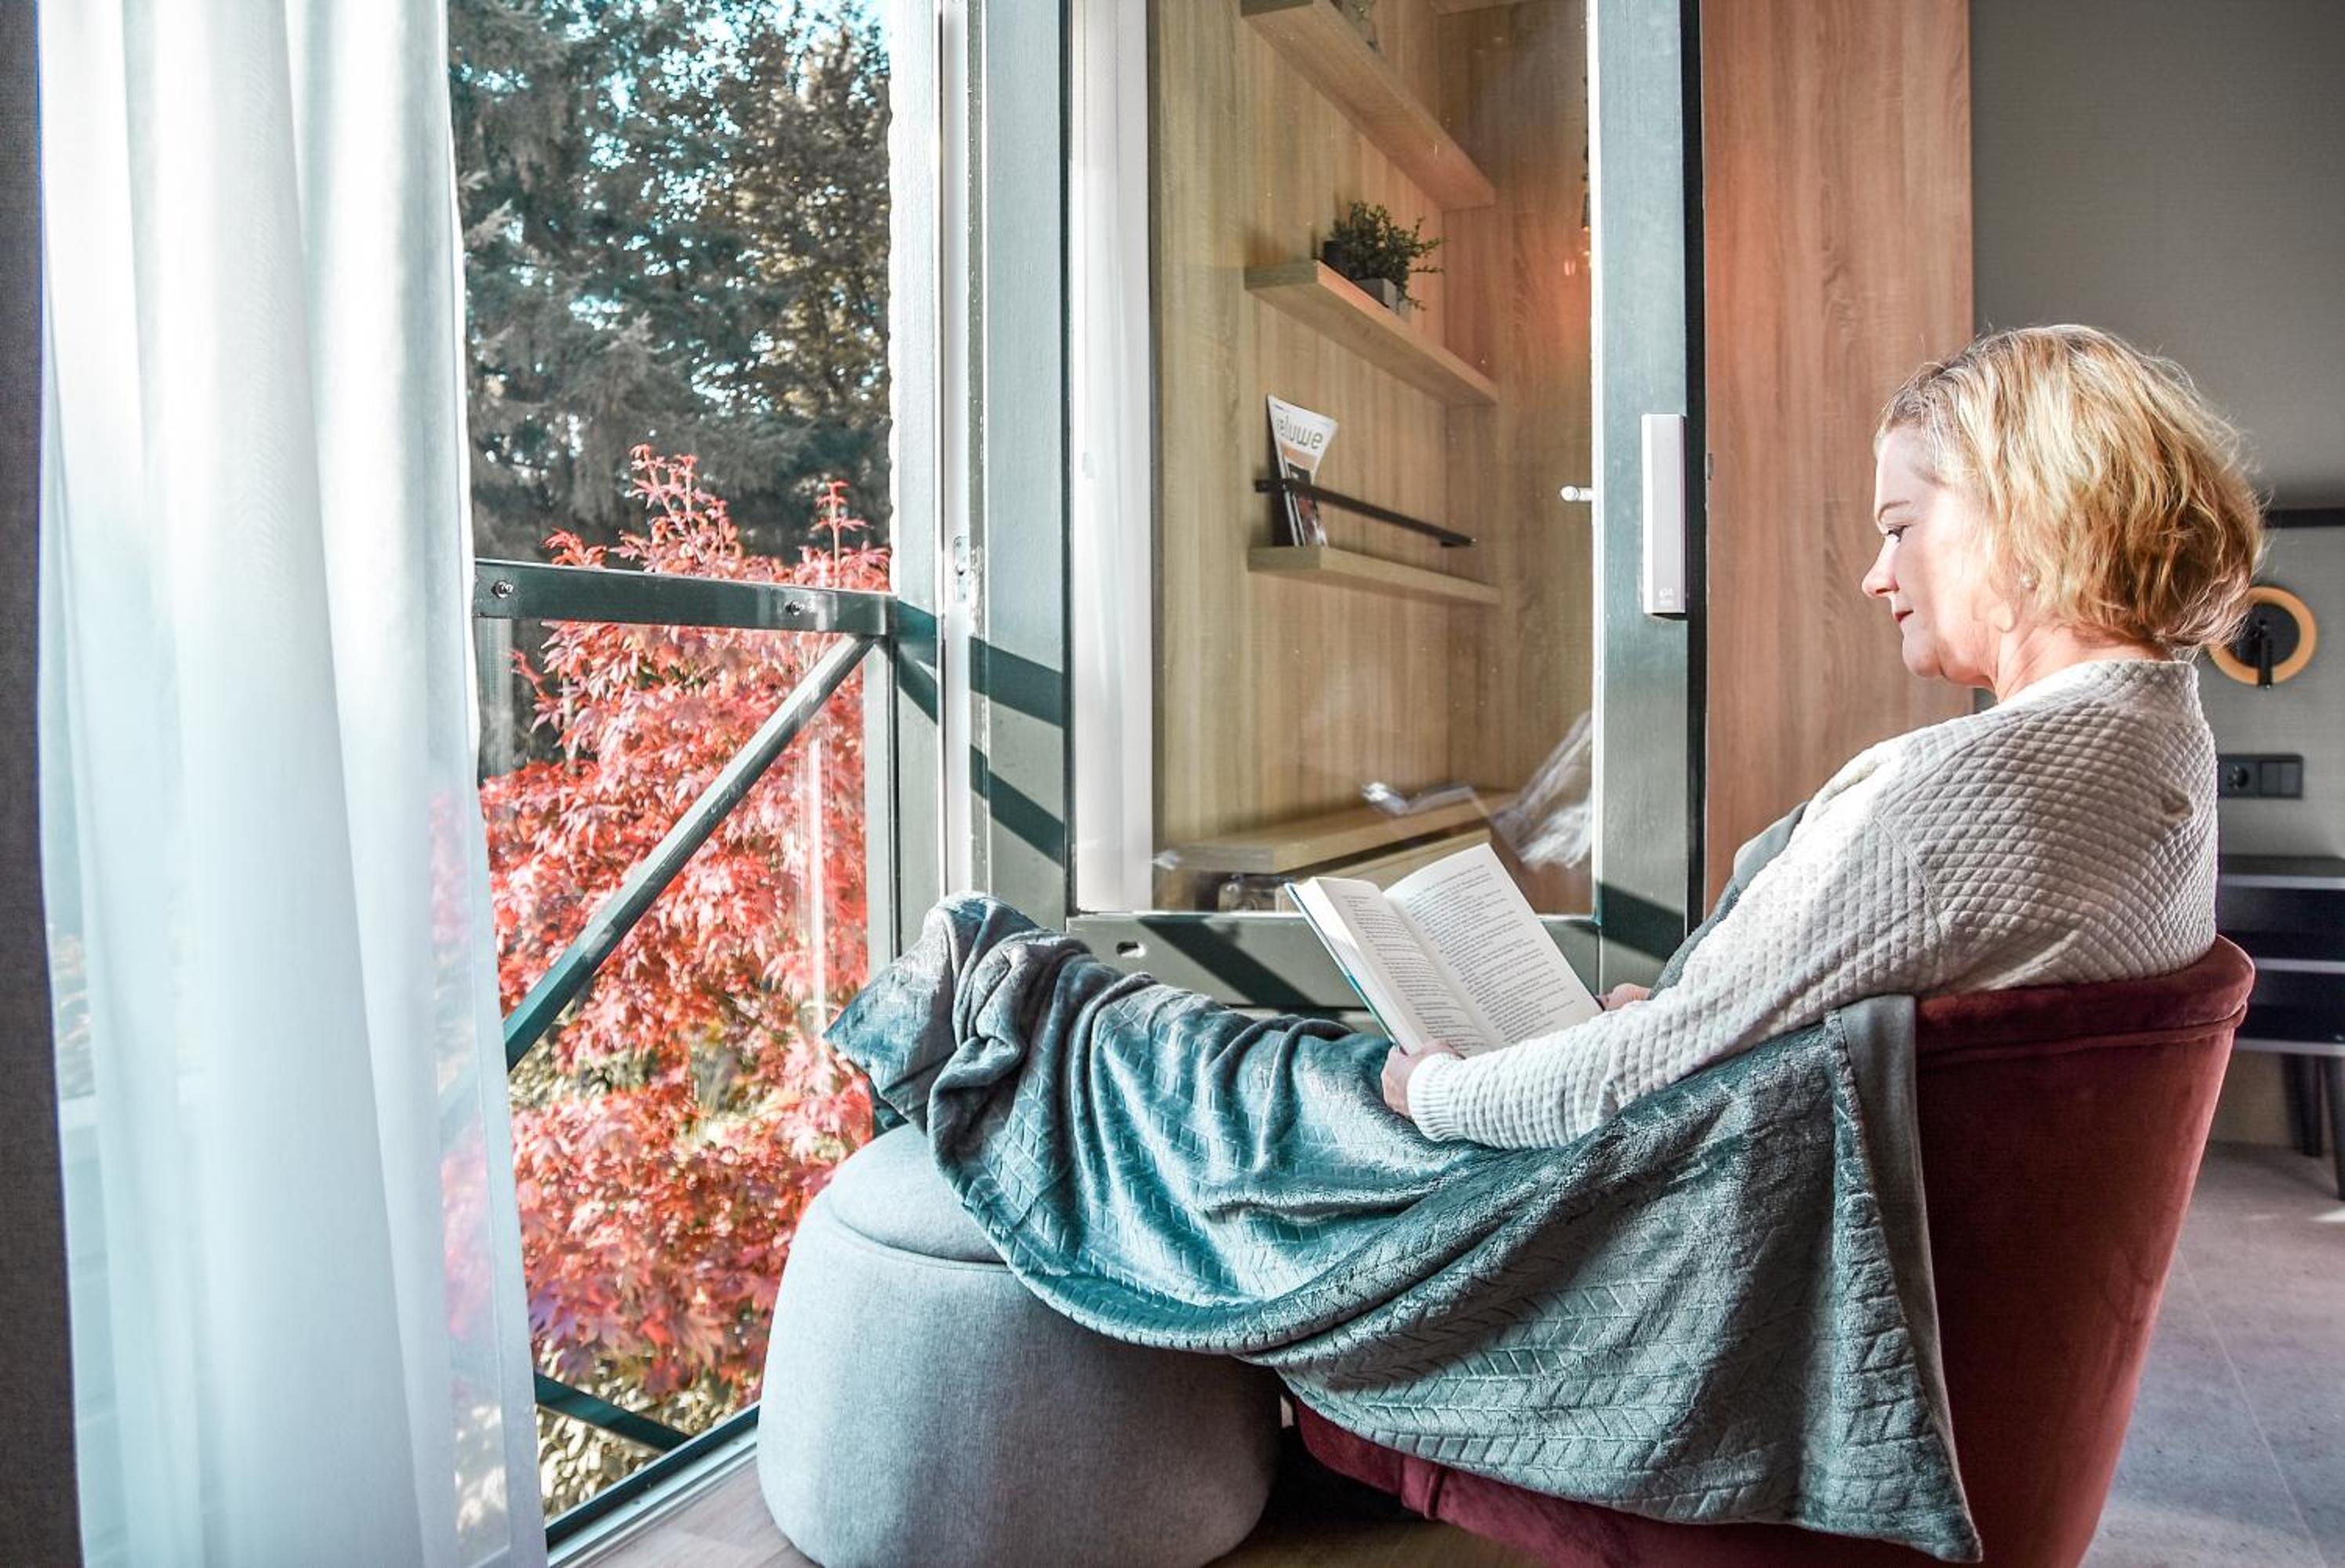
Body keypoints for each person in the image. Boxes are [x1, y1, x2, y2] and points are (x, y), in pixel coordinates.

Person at [1386, 325, 2264, 1148]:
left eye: (1899, 527)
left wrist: (1436, 1092)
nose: (1876, 576)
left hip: (1700, 1209)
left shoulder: (1950, 801)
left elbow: (1637, 1081)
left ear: (2025, 523)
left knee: (1305, 1075)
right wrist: (1689, 1017)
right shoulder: (2166, 746)